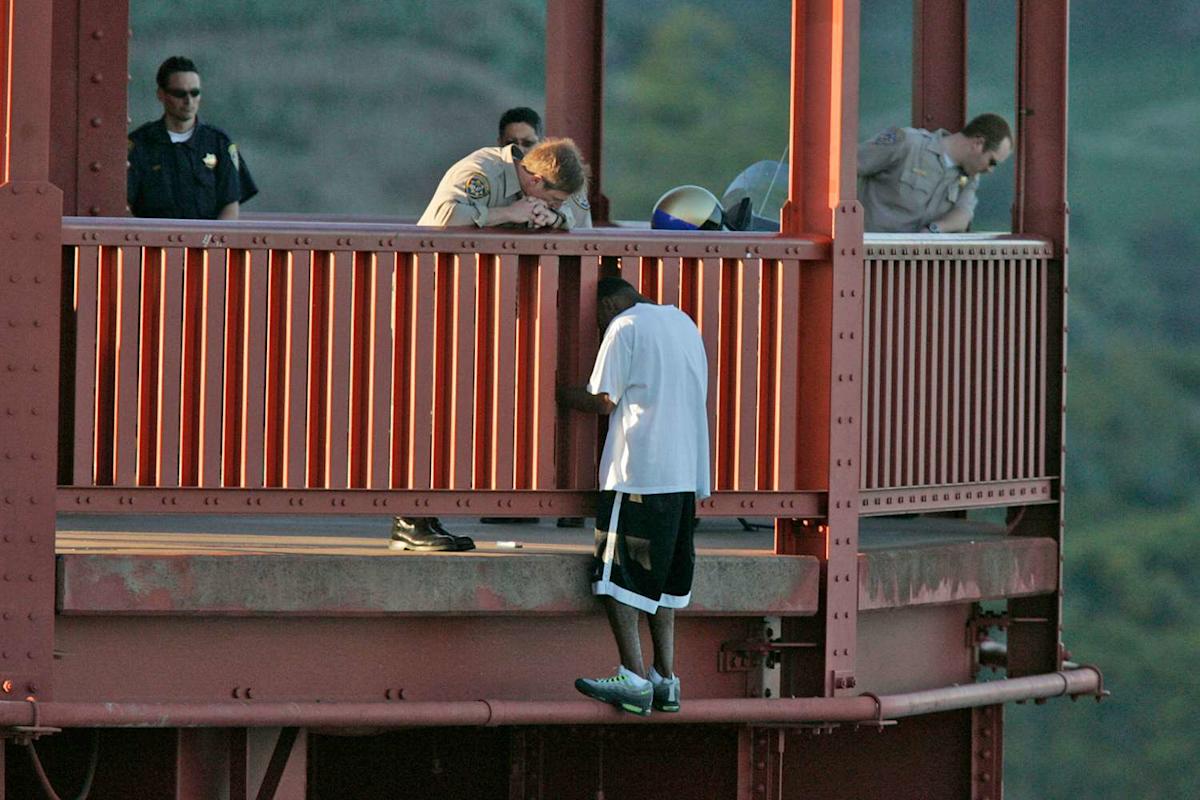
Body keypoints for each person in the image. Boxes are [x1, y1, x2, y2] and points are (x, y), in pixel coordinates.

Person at [557, 277, 711, 716]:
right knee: (661, 584)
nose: (598, 326)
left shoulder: (624, 326)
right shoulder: (683, 323)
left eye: (597, 318)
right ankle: (665, 678)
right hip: (685, 475)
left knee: (618, 577)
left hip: (638, 473)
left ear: (608, 305)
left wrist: (557, 393)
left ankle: (633, 677)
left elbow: (604, 399)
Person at [127, 56, 258, 219]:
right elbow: (124, 204)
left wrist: (214, 236)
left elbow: (230, 206)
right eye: (179, 93)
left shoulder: (219, 143)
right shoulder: (139, 144)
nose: (188, 101)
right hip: (153, 235)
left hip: (207, 236)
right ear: (161, 94)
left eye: (195, 93)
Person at [857, 112, 1013, 233]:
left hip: (915, 260)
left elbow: (963, 215)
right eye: (992, 161)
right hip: (868, 251)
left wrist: (934, 229)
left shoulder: (969, 178)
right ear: (978, 143)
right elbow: (849, 166)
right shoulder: (908, 143)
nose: (990, 170)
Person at [418, 137, 588, 229]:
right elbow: (443, 216)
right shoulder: (484, 171)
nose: (557, 206)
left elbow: (572, 217)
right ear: (536, 180)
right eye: (554, 200)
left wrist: (555, 218)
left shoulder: (546, 192)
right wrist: (508, 213)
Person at [497, 107, 593, 229]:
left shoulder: (566, 180)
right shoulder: (493, 179)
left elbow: (582, 231)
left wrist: (558, 218)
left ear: (541, 144)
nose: (520, 150)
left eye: (528, 143)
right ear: (500, 144)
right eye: (511, 144)